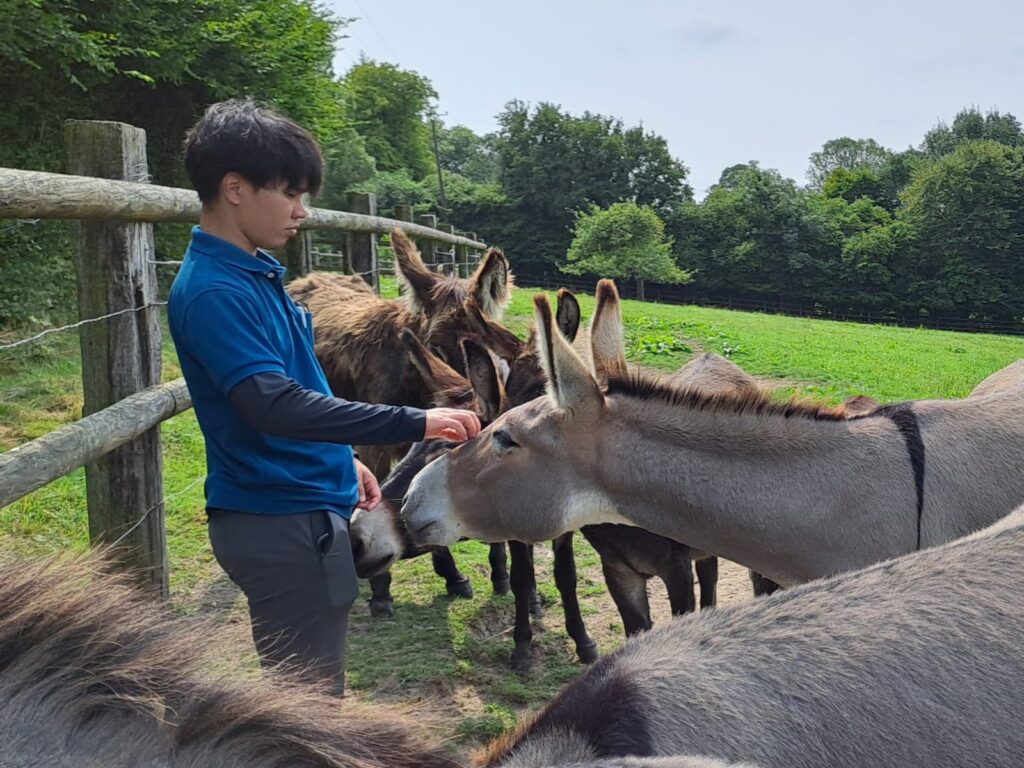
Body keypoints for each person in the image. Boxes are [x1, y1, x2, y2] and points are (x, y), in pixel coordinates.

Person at [167, 98, 481, 695]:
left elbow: (297, 382)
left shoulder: (255, 276)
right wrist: (417, 420)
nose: (301, 212)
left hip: (303, 505)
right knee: (307, 709)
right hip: (277, 519)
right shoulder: (215, 293)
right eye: (290, 193)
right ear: (235, 188)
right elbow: (272, 404)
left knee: (317, 695)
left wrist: (348, 460)